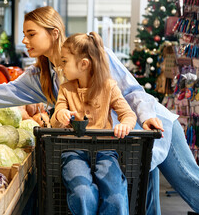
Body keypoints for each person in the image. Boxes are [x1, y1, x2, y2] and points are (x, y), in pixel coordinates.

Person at [0, 6, 199, 215]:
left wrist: (147, 118)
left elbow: (133, 90)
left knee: (195, 192)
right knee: (142, 201)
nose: (24, 40)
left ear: (53, 33)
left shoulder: (91, 54)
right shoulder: (43, 75)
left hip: (153, 126)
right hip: (125, 143)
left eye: (31, 33)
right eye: (25, 34)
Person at [51, 32, 137, 214]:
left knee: (115, 195)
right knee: (82, 192)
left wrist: (125, 125)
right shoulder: (65, 89)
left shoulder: (109, 87)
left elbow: (128, 114)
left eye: (65, 61)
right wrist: (62, 115)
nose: (61, 66)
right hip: (73, 150)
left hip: (105, 150)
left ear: (83, 64)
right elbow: (56, 116)